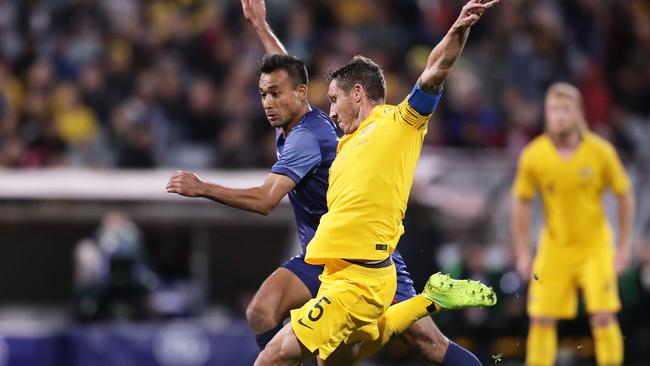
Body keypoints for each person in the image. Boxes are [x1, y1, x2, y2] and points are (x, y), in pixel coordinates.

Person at [240, 1, 499, 365]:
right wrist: (261, 27)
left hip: (361, 275)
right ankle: (432, 299)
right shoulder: (339, 138)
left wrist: (458, 28)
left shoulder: (399, 124)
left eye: (334, 100)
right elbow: (290, 90)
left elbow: (435, 69)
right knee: (348, 355)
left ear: (357, 94)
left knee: (273, 358)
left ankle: (431, 300)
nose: (329, 110)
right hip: (336, 273)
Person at [512, 82, 635, 366]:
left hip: (595, 246)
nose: (558, 116)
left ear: (579, 113)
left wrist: (624, 247)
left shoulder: (600, 151)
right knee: (541, 317)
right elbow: (521, 201)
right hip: (554, 246)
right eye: (553, 109)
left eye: (565, 109)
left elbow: (625, 193)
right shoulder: (535, 155)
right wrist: (522, 252)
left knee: (603, 315)